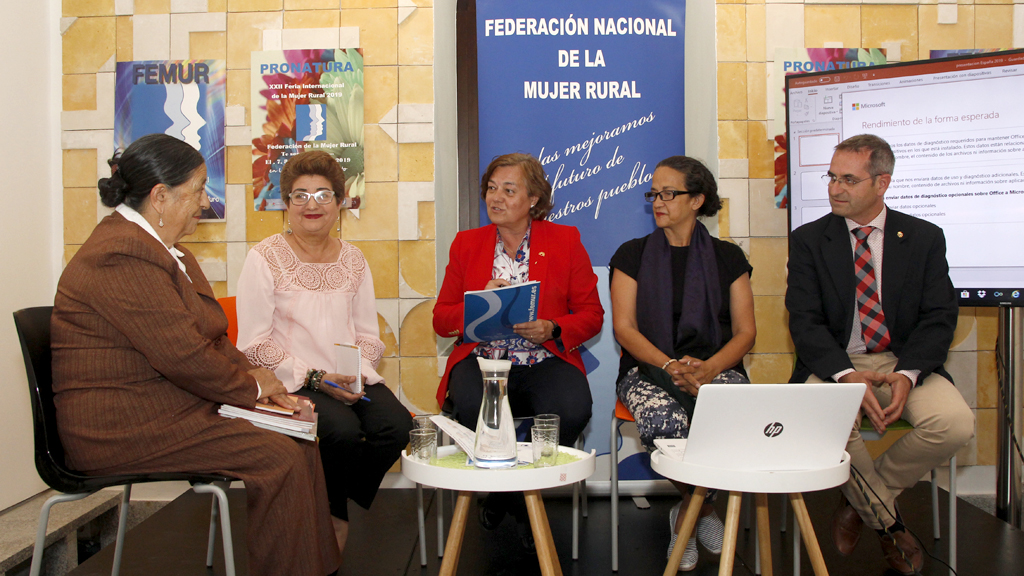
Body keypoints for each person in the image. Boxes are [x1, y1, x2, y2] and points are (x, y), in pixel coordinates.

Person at [50, 134, 340, 576]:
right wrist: (252, 387)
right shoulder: (120, 254)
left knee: (298, 436)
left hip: (161, 407)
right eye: (199, 189)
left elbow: (212, 337)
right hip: (118, 428)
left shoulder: (165, 250)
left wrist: (264, 385)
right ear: (161, 197)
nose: (205, 203)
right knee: (278, 455)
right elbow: (182, 356)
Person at [786, 134, 974, 575]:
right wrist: (845, 375)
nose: (835, 188)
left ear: (882, 183)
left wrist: (908, 374)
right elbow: (804, 322)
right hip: (835, 363)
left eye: (848, 179)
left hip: (900, 362)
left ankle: (862, 501)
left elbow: (939, 317)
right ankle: (889, 525)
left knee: (955, 424)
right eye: (831, 177)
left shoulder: (925, 237)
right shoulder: (810, 240)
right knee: (828, 426)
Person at [236, 150, 413, 555]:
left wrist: (355, 371)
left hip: (347, 377)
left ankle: (327, 501)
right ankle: (334, 517)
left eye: (322, 194)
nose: (311, 205)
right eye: (299, 195)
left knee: (397, 428)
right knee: (342, 431)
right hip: (294, 382)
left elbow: (368, 333)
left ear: (340, 202)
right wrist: (316, 378)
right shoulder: (264, 257)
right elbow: (253, 345)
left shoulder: (353, 259)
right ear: (285, 203)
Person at [433, 152, 604, 546]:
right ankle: (518, 497)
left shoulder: (565, 240)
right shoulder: (467, 244)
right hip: (483, 361)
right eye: (491, 188)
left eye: (509, 190)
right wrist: (474, 308)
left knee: (573, 408)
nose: (496, 197)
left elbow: (591, 315)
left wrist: (553, 327)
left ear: (533, 200)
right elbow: (441, 319)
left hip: (543, 358)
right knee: (472, 409)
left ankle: (509, 491)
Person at [609, 155, 755, 571]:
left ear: (697, 200)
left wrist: (708, 369)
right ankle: (701, 512)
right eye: (654, 193)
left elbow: (746, 332)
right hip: (646, 367)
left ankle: (687, 515)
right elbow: (626, 330)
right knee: (664, 423)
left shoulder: (728, 258)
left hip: (716, 365)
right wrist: (671, 365)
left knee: (731, 415)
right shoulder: (632, 255)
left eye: (669, 193)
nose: (658, 200)